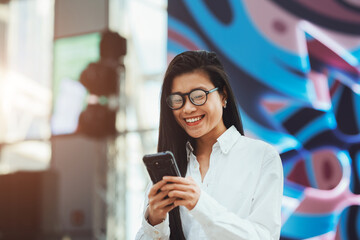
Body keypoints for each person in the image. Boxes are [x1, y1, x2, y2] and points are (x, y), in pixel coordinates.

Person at [135, 50, 283, 240]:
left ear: (223, 95)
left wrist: (200, 204)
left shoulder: (262, 157)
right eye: (178, 99)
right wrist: (155, 220)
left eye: (198, 95)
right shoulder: (170, 169)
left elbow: (265, 237)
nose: (187, 108)